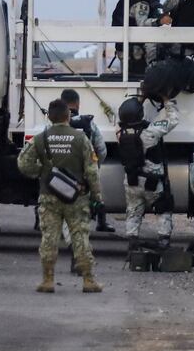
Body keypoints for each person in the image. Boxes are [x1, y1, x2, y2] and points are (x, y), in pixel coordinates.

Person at [16, 98, 102, 293]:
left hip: (49, 195)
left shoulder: (40, 138)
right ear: (68, 115)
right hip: (76, 197)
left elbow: (23, 163)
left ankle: (47, 280)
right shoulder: (81, 139)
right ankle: (88, 280)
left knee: (49, 238)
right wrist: (97, 196)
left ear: (50, 117)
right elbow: (92, 171)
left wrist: (41, 172)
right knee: (80, 236)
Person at [116, 93, 181, 251]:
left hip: (131, 180)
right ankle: (163, 241)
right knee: (163, 209)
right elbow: (173, 120)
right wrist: (167, 102)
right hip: (151, 181)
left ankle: (132, 243)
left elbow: (126, 116)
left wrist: (138, 100)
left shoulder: (120, 133)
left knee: (133, 211)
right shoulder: (150, 133)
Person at [61, 89, 112, 232]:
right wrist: (94, 166)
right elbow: (101, 149)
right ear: (77, 104)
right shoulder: (88, 123)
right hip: (83, 173)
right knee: (95, 195)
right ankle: (101, 223)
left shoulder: (56, 124)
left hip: (62, 172)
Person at [112, 0, 168, 73]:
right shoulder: (141, 3)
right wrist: (159, 21)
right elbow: (142, 24)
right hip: (134, 51)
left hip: (126, 47)